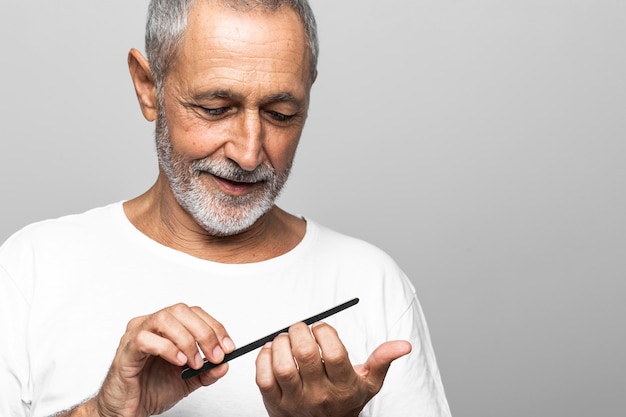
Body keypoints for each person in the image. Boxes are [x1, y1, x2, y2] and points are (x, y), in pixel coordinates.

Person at [0, 0, 451, 416]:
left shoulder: (371, 283)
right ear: (147, 87)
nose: (250, 154)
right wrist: (102, 413)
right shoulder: (32, 268)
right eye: (215, 108)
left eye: (280, 113)